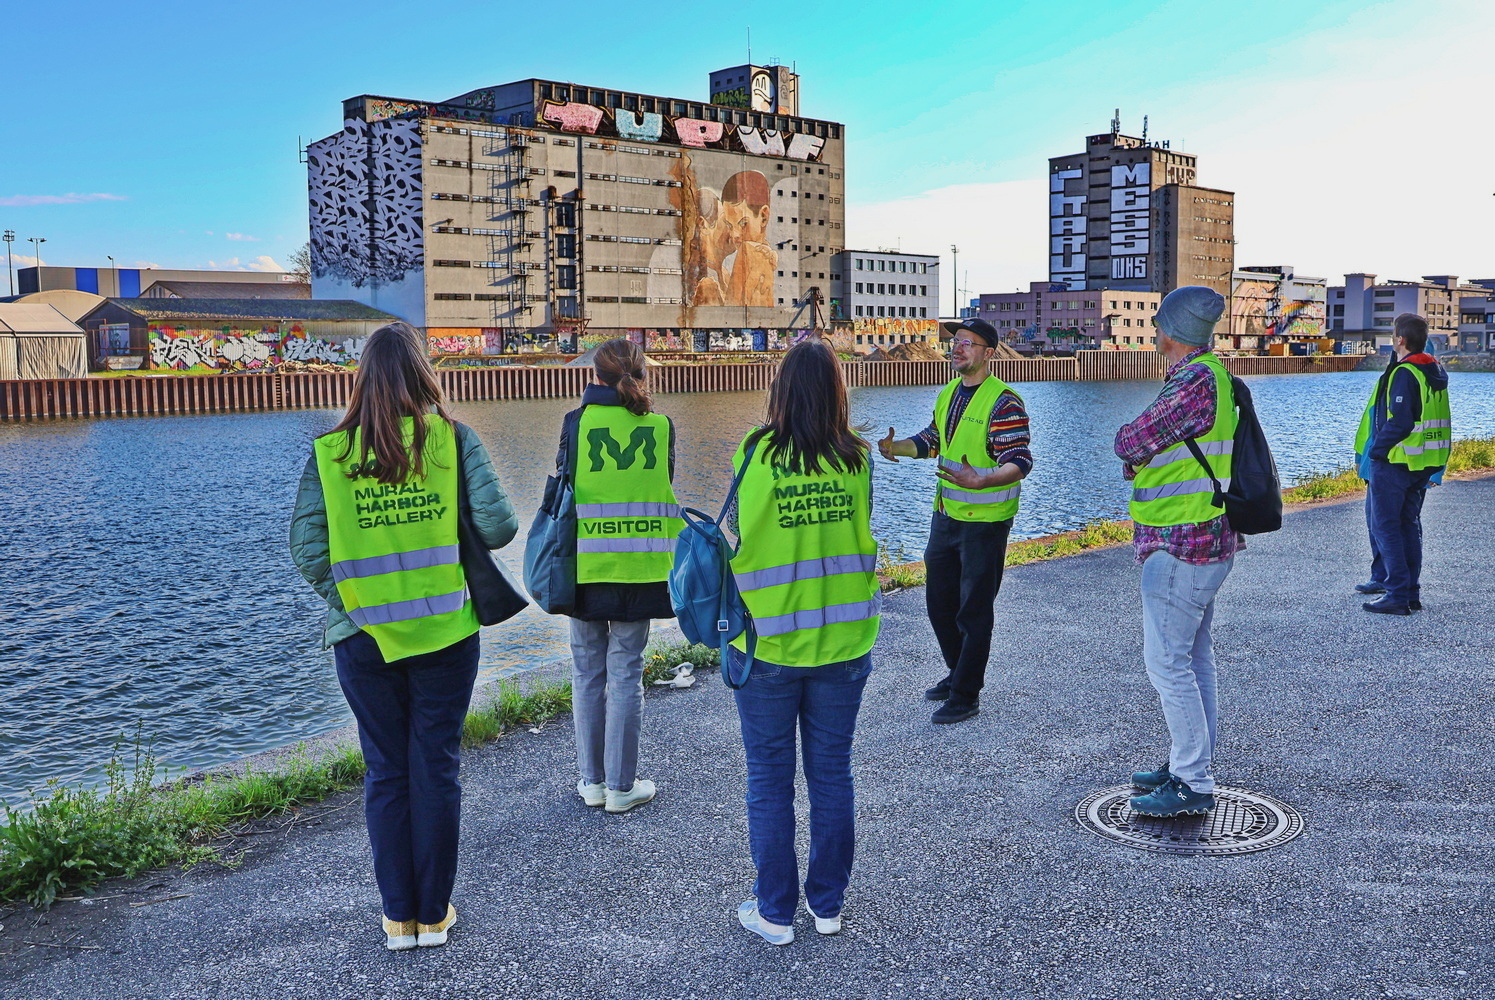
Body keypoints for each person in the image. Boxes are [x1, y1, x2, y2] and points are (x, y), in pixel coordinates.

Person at [289, 321, 517, 950]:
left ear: (361, 380)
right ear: (424, 373)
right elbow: (499, 528)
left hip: (364, 642)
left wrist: (359, 605)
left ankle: (399, 920)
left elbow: (307, 549)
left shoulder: (329, 455)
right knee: (436, 767)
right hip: (445, 631)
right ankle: (436, 915)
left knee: (387, 771)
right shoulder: (453, 439)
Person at [728, 338, 881, 946]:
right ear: (839, 393)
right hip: (843, 644)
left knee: (768, 777)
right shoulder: (858, 459)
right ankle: (828, 905)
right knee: (831, 773)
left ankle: (773, 913)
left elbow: (741, 531)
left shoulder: (754, 453)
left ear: (782, 391)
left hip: (767, 645)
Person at [1112, 286, 1238, 818]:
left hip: (1180, 541)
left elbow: (1129, 440)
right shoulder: (1216, 376)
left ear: (1170, 331)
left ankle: (1193, 780)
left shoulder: (1193, 382)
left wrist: (1134, 453)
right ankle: (1189, 762)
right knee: (1193, 658)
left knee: (1166, 663)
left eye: (1159, 322)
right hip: (1205, 538)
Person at [877, 317, 1033, 724]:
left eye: (968, 342)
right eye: (955, 341)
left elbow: (1019, 461)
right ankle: (956, 671)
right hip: (946, 516)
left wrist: (982, 480)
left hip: (985, 522)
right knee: (939, 604)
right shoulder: (949, 394)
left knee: (974, 611)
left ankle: (966, 694)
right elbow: (932, 441)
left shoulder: (1004, 402)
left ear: (988, 353)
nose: (957, 347)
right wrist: (898, 448)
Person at [556, 338, 681, 813]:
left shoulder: (576, 422)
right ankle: (621, 787)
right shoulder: (661, 426)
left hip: (585, 565)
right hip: (642, 566)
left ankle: (591, 783)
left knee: (587, 669)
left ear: (594, 374)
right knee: (626, 670)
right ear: (640, 373)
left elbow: (564, 486)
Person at [1352, 313, 1451, 615]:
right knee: (1408, 526)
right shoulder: (1432, 369)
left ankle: (1396, 594)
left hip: (1397, 461)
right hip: (1422, 462)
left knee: (1387, 527)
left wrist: (1377, 453)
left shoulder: (1405, 372)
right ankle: (1410, 594)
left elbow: (1401, 422)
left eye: (1394, 334)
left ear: (1400, 340)